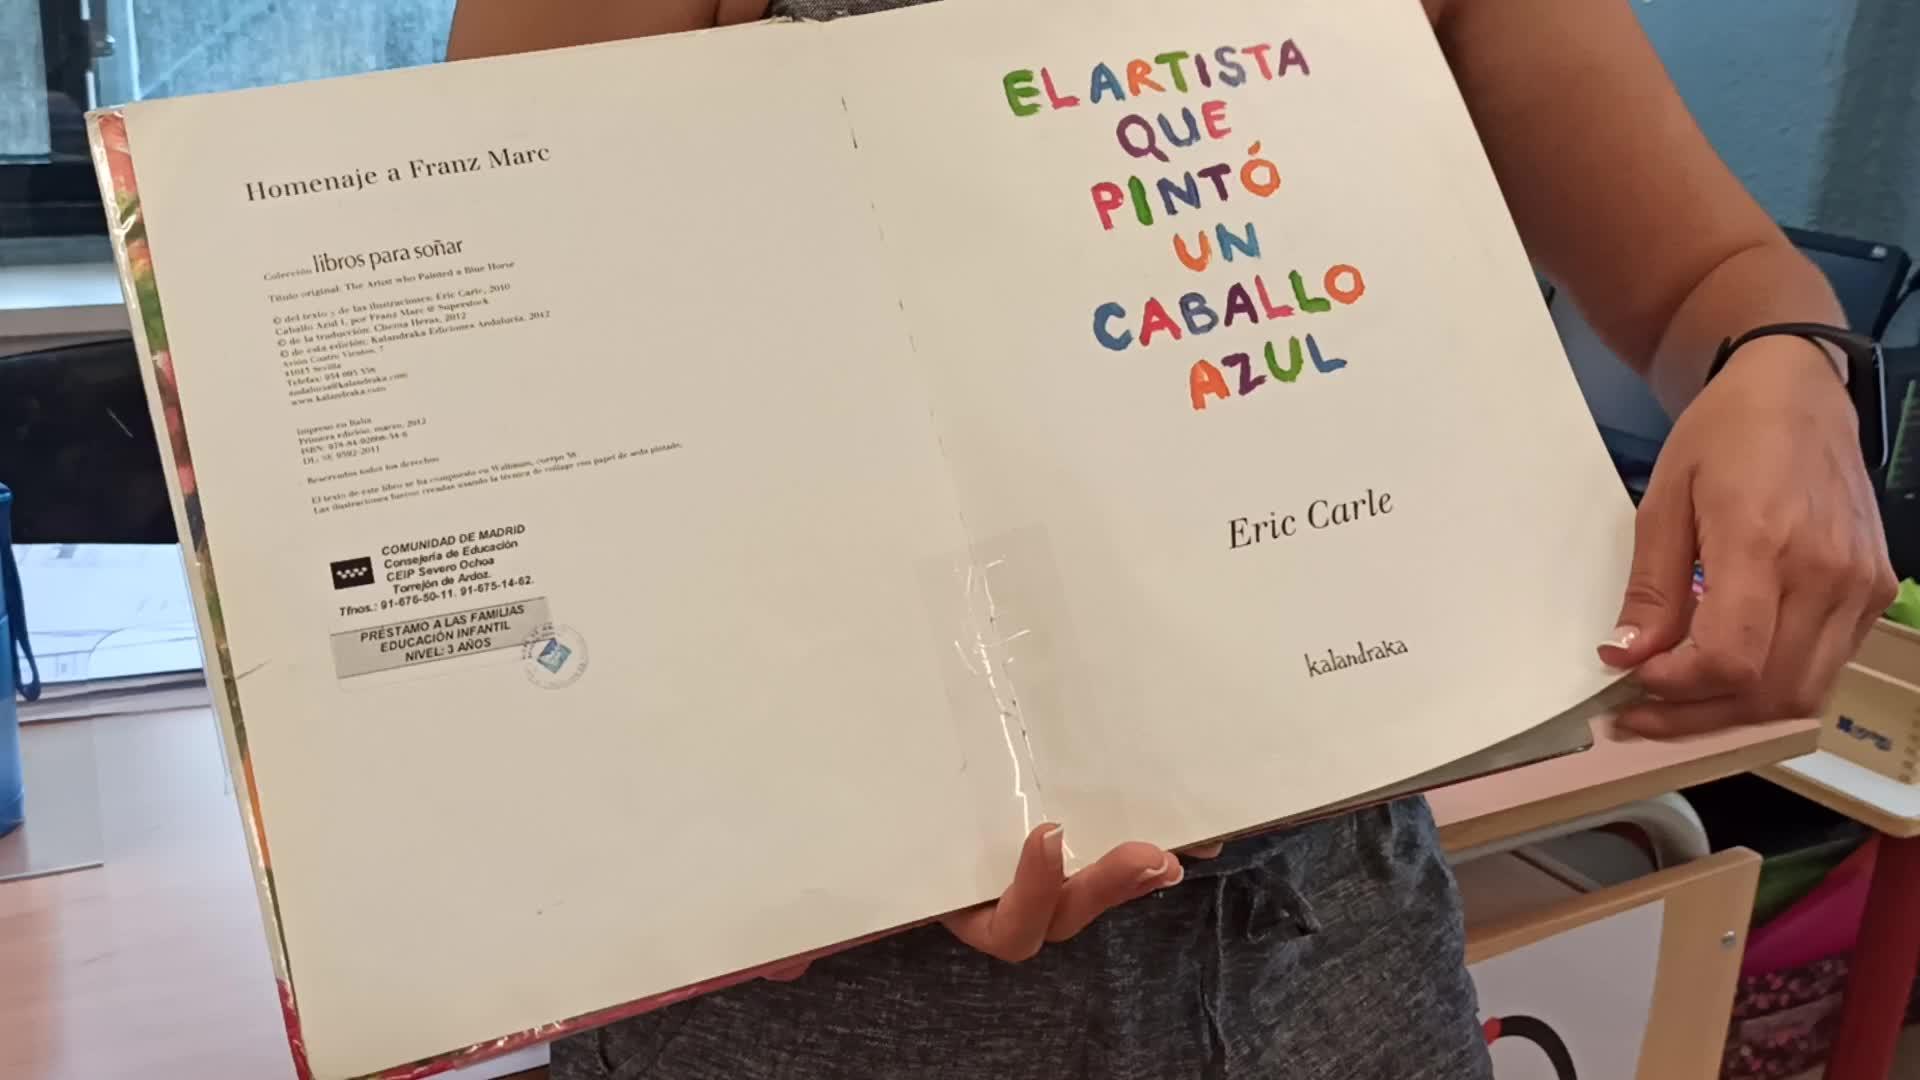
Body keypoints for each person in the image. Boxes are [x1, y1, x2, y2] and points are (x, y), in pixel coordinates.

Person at [446, 1, 1898, 1076]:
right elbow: (506, 421)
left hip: (1337, 958)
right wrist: (807, 812)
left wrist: (1792, 370)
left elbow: (1712, 275)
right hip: (832, 1007)